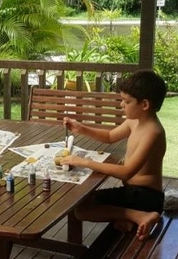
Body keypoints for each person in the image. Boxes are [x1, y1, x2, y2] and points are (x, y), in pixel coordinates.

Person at [59, 69, 168, 241]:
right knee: (80, 202)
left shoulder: (153, 132)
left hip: (147, 197)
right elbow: (110, 137)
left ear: (144, 104)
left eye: (126, 101)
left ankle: (139, 216)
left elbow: (126, 172)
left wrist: (84, 162)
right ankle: (126, 217)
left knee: (81, 209)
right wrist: (81, 128)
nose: (121, 105)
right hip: (133, 192)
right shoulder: (134, 121)